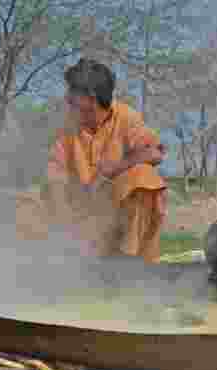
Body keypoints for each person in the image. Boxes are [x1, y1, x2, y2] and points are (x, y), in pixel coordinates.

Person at [44, 58, 168, 262]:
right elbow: (54, 180)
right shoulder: (65, 126)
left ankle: (126, 264)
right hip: (80, 226)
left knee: (145, 178)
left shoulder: (126, 117)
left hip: (116, 225)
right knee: (23, 207)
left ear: (90, 98)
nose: (67, 98)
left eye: (72, 92)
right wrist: (64, 227)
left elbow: (154, 153)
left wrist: (113, 169)